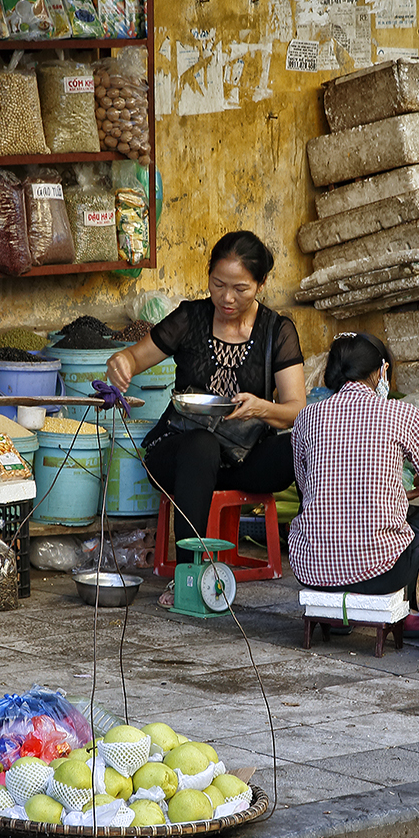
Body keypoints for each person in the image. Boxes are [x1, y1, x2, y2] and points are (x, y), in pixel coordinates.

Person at [105, 232, 307, 607]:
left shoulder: (277, 331)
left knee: (304, 444)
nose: (227, 298)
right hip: (182, 454)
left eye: (240, 289)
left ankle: (327, 557)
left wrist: (262, 408)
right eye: (218, 285)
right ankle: (189, 576)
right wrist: (121, 363)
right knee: (201, 446)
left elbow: (297, 410)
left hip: (246, 457)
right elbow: (133, 357)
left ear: (261, 284)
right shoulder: (191, 318)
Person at [290, 332, 419, 630]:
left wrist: (395, 493)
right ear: (380, 372)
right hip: (382, 573)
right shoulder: (402, 414)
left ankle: (338, 618)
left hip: (312, 570)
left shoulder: (307, 417)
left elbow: (307, 489)